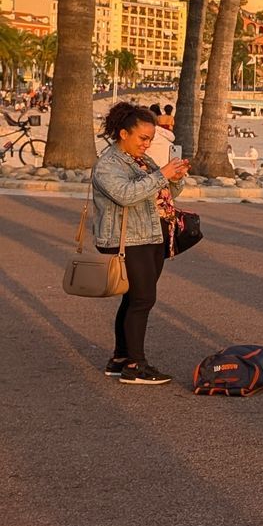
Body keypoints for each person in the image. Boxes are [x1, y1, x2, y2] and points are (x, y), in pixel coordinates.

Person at [90, 102, 191, 385]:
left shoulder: (140, 160)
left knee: (133, 298)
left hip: (148, 236)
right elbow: (126, 194)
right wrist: (162, 175)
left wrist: (177, 178)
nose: (147, 144)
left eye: (150, 139)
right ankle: (136, 365)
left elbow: (163, 189)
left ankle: (120, 358)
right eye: (142, 138)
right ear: (123, 133)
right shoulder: (108, 165)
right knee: (143, 299)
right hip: (126, 239)